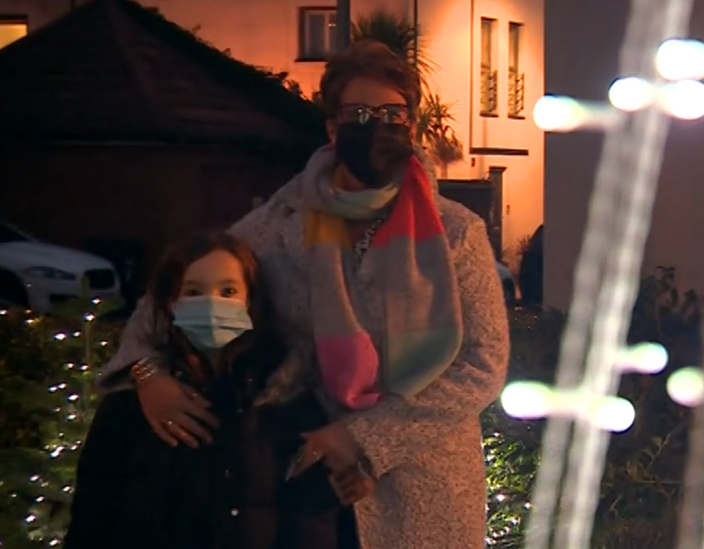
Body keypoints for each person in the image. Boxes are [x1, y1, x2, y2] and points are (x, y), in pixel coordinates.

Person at [97, 40, 510, 549]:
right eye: (358, 113)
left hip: (423, 487)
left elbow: (483, 363)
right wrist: (146, 373)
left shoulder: (455, 232)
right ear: (333, 127)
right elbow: (171, 295)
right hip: (307, 487)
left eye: (391, 112)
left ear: (411, 122)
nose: (376, 125)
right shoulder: (278, 225)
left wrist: (366, 437)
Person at [66, 233, 371, 549]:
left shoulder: (286, 397)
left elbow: (311, 520)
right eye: (194, 292)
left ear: (249, 300)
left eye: (228, 291)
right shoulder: (132, 401)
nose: (212, 303)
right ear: (172, 303)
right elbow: (95, 508)